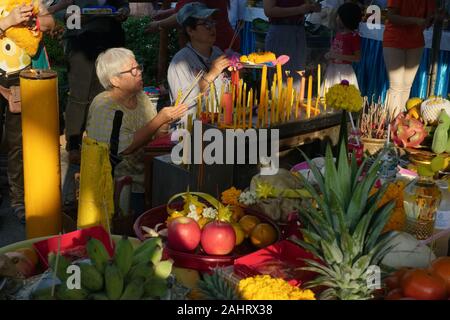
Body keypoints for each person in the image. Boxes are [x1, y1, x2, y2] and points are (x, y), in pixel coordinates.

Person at [85, 48, 187, 217]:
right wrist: (159, 119)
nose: (139, 73)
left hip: (146, 179)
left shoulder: (141, 97)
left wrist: (165, 122)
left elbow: (155, 137)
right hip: (117, 186)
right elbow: (124, 148)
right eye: (132, 70)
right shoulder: (103, 106)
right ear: (114, 80)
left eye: (138, 67)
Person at [49, 0, 131, 164]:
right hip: (80, 42)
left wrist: (123, 11)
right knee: (79, 95)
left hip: (111, 42)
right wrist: (88, 16)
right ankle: (74, 145)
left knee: (106, 93)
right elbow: (63, 15)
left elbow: (124, 6)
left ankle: (102, 142)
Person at [0, 1, 55, 223]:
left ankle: (18, 200)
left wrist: (36, 21)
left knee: (18, 142)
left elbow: (51, 23)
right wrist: (8, 21)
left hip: (20, 76)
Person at [168, 2, 231, 116]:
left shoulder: (217, 52)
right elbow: (182, 104)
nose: (212, 28)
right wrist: (212, 73)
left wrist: (237, 74)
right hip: (191, 128)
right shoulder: (180, 62)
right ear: (190, 31)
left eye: (212, 22)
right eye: (206, 24)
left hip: (219, 123)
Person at [383, 0, 435, 118]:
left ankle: (399, 123)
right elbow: (391, 16)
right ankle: (393, 123)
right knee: (396, 86)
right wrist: (414, 20)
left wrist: (434, 18)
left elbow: (426, 22)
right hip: (394, 40)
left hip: (416, 42)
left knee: (406, 86)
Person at [263, 0, 322, 86]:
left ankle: (295, 98)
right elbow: (269, 10)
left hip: (298, 30)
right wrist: (299, 9)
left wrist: (311, 7)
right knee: (280, 76)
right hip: (281, 30)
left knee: (297, 74)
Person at [146, 0, 240, 52]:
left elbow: (187, 14)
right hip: (218, 43)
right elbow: (191, 7)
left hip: (218, 44)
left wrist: (158, 24)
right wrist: (166, 12)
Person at [322, 2, 362, 93]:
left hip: (344, 72)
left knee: (343, 95)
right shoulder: (338, 34)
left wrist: (337, 56)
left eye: (339, 17)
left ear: (346, 18)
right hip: (332, 69)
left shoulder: (353, 37)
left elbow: (357, 58)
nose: (337, 19)